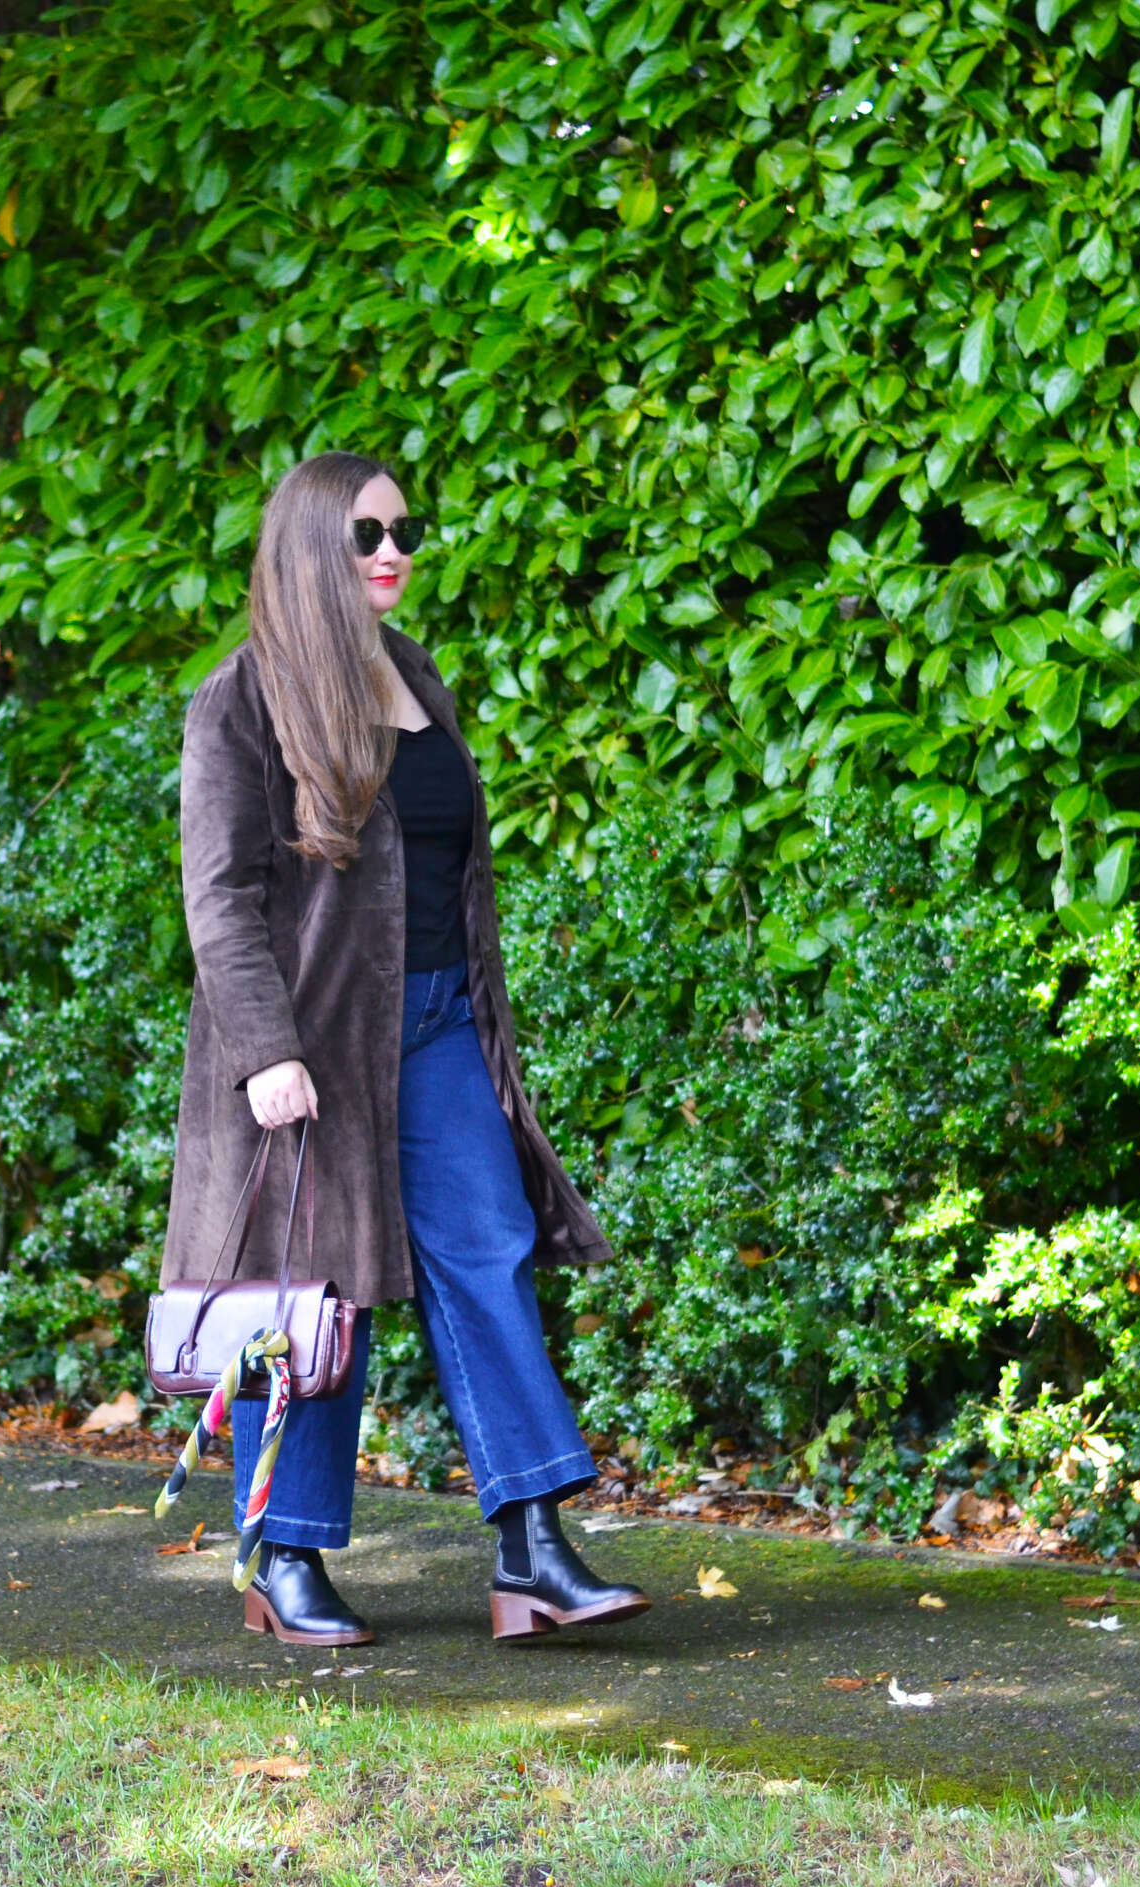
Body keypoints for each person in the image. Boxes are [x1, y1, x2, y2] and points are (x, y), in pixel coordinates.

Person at [164, 449, 649, 1649]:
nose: (394, 552)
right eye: (365, 534)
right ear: (306, 549)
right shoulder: (242, 697)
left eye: (403, 530)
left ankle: (530, 1544)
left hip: (434, 1024)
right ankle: (281, 1555)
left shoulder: (412, 676)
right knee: (313, 1299)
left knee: (487, 1251)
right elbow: (219, 897)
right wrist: (265, 1049)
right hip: (310, 1051)